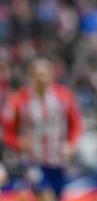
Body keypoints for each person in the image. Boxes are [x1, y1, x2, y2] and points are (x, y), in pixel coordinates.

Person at [2, 57, 83, 201]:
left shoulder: (64, 96)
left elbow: (76, 123)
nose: (41, 79)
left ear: (51, 75)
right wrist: (18, 143)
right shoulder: (19, 100)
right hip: (33, 160)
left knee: (56, 197)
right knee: (47, 197)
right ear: (31, 77)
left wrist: (71, 144)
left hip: (58, 159)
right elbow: (6, 130)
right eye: (38, 75)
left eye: (44, 74)